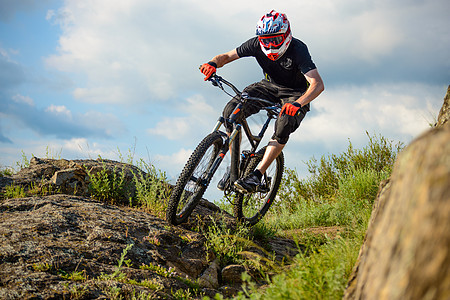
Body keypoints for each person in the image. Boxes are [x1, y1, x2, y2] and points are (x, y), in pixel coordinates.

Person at [199, 10, 324, 194]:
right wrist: (212, 63)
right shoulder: (255, 44)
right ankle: (233, 169)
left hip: (295, 94)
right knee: (230, 113)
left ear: (287, 34)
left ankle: (257, 175)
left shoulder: (298, 49)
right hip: (268, 87)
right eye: (266, 40)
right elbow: (226, 56)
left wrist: (298, 103)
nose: (270, 45)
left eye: (275, 40)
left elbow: (317, 84)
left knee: (284, 124)